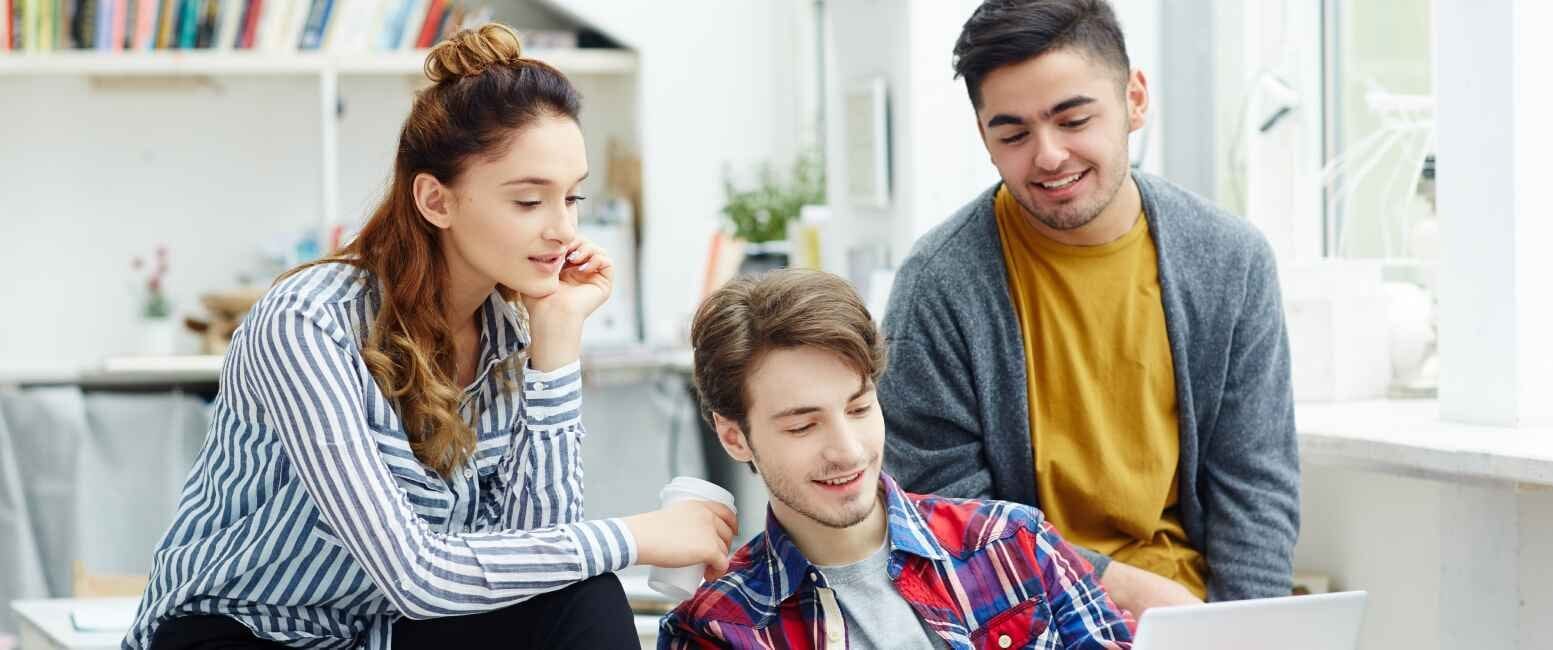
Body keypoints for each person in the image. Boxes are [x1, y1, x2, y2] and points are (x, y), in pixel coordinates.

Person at [124, 24, 736, 649]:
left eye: (572, 199)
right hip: (242, 632)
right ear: (435, 201)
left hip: (376, 634)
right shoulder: (307, 322)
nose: (563, 230)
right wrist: (635, 538)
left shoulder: (507, 331)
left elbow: (535, 558)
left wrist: (556, 340)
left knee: (581, 592)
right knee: (592, 570)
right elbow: (412, 574)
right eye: (529, 202)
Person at [879, 0, 1300, 617]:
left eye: (1073, 119)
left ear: (1135, 100)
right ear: (985, 138)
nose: (1048, 155)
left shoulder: (1230, 259)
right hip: (1028, 619)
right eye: (1013, 134)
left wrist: (1242, 630)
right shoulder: (939, 286)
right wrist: (1121, 588)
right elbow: (947, 518)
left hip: (1196, 613)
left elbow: (1256, 488)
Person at [659, 269, 1131, 649]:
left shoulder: (1014, 542)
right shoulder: (716, 629)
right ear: (735, 438)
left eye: (859, 409)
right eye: (803, 426)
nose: (848, 450)